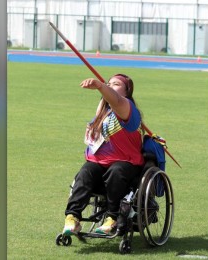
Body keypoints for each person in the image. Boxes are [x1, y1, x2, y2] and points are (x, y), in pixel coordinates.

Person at [62, 74, 145, 236]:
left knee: (116, 170)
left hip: (126, 162)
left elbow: (117, 100)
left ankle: (112, 217)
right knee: (86, 171)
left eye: (116, 84)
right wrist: (103, 91)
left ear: (127, 91)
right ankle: (72, 216)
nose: (110, 85)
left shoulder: (127, 107)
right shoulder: (103, 111)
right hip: (100, 162)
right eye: (109, 83)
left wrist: (101, 86)